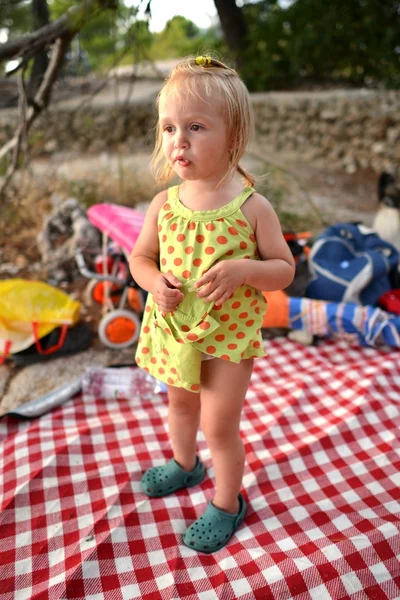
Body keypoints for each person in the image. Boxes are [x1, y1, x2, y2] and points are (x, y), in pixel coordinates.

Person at [129, 55, 295, 553]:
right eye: (169, 127)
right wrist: (154, 281)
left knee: (218, 423)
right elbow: (139, 258)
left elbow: (285, 269)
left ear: (233, 135)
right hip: (177, 332)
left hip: (228, 339)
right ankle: (185, 465)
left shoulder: (251, 206)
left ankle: (227, 502)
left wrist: (246, 270)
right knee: (179, 403)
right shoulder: (163, 204)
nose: (179, 140)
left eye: (196, 126)